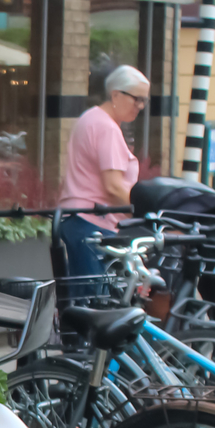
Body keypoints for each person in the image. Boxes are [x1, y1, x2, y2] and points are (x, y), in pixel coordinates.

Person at [55, 64, 149, 294]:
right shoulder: (107, 127)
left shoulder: (89, 118)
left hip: (77, 220)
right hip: (95, 223)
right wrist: (145, 213)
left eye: (144, 100)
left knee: (82, 300)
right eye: (136, 99)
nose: (140, 106)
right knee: (97, 307)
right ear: (116, 94)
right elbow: (114, 186)